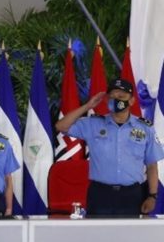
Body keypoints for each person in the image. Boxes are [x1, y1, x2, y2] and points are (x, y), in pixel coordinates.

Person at [55, 78, 164, 217]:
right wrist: (87, 106)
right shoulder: (93, 124)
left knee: (129, 237)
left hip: (131, 195)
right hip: (100, 194)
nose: (115, 100)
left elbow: (151, 165)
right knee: (98, 237)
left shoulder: (145, 128)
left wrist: (152, 196)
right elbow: (61, 126)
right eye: (112, 96)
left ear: (131, 101)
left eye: (121, 97)